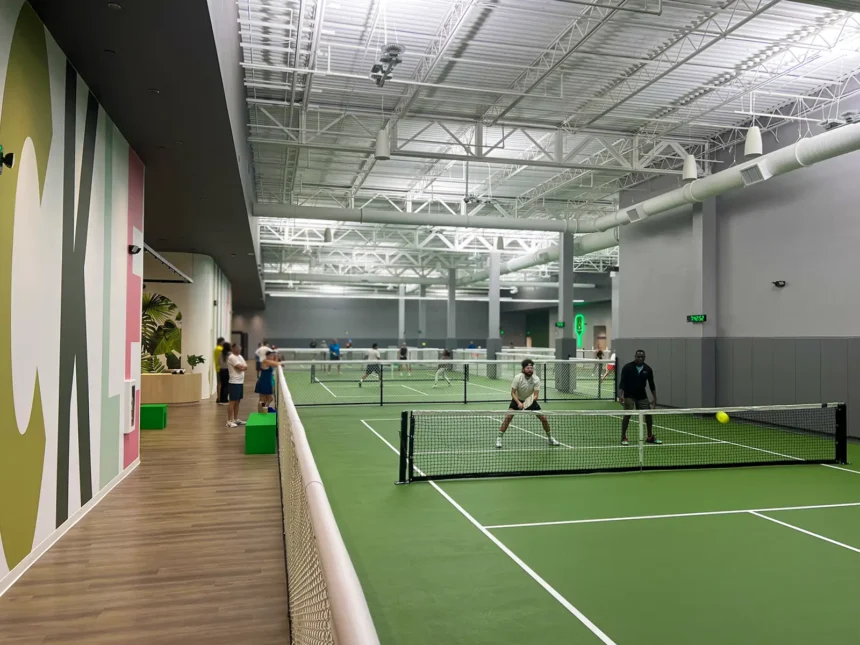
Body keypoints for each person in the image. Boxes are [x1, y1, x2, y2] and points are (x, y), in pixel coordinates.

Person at [497, 359, 558, 448]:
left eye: (531, 368)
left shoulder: (536, 379)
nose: (530, 369)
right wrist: (518, 403)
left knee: (544, 419)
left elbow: (536, 395)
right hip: (517, 400)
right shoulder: (518, 378)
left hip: (531, 400)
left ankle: (550, 438)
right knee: (508, 417)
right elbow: (512, 393)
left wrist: (527, 403)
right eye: (528, 368)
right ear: (523, 369)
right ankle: (499, 439)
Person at [618, 349, 661, 446]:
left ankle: (650, 437)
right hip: (629, 395)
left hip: (642, 396)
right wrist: (620, 395)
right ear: (635, 357)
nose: (640, 358)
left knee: (648, 415)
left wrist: (654, 398)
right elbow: (622, 382)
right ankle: (623, 437)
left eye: (642, 357)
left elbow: (652, 385)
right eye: (638, 356)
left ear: (644, 358)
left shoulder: (648, 369)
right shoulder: (627, 367)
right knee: (627, 415)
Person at [226, 343, 248, 428]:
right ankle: (229, 421)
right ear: (233, 349)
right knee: (232, 401)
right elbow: (240, 368)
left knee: (238, 401)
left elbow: (245, 366)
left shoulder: (240, 357)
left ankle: (236, 419)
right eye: (238, 349)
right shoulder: (232, 357)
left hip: (240, 382)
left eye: (240, 348)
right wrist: (243, 367)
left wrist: (243, 367)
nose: (239, 350)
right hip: (234, 382)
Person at [217, 340, 231, 405]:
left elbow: (219, 362)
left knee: (223, 384)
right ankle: (225, 399)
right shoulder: (230, 354)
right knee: (227, 385)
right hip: (227, 370)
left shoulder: (220, 353)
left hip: (221, 370)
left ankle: (221, 399)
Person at [214, 338, 226, 404]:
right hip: (221, 368)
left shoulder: (216, 349)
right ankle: (220, 397)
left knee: (219, 383)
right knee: (220, 384)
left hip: (217, 368)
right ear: (220, 342)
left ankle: (218, 397)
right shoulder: (220, 349)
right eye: (223, 342)